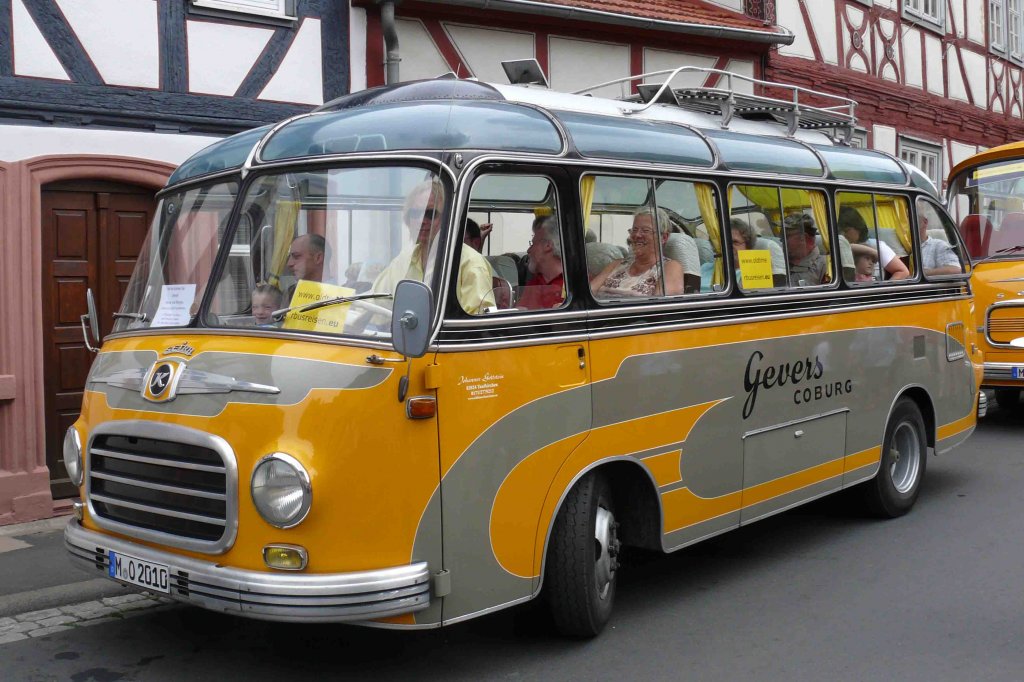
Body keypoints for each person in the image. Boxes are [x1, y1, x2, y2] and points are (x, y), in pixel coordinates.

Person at [372, 178, 495, 314]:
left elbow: (478, 323)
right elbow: (375, 300)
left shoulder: (471, 263)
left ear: (447, 219)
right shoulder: (404, 258)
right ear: (407, 219)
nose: (421, 221)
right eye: (415, 213)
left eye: (430, 214)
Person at [590, 206, 684, 298]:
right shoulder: (616, 264)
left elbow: (659, 309)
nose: (637, 235)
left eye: (645, 230)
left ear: (663, 237)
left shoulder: (670, 268)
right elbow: (587, 295)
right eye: (634, 230)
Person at [837, 206, 909, 281]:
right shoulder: (836, 247)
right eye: (839, 232)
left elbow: (902, 272)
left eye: (846, 230)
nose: (842, 235)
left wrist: (883, 290)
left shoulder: (876, 246)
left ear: (858, 228)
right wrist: (871, 252)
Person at [518, 217, 565, 309]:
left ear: (548, 245)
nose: (528, 250)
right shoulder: (534, 283)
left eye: (533, 244)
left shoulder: (573, 285)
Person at [784, 213, 828, 286]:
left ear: (803, 238)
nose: (781, 240)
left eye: (786, 236)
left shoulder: (827, 267)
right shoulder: (779, 263)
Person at [918, 211, 962, 276]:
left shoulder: (937, 245)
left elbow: (955, 269)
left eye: (911, 219)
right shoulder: (903, 250)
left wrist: (923, 273)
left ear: (925, 222)